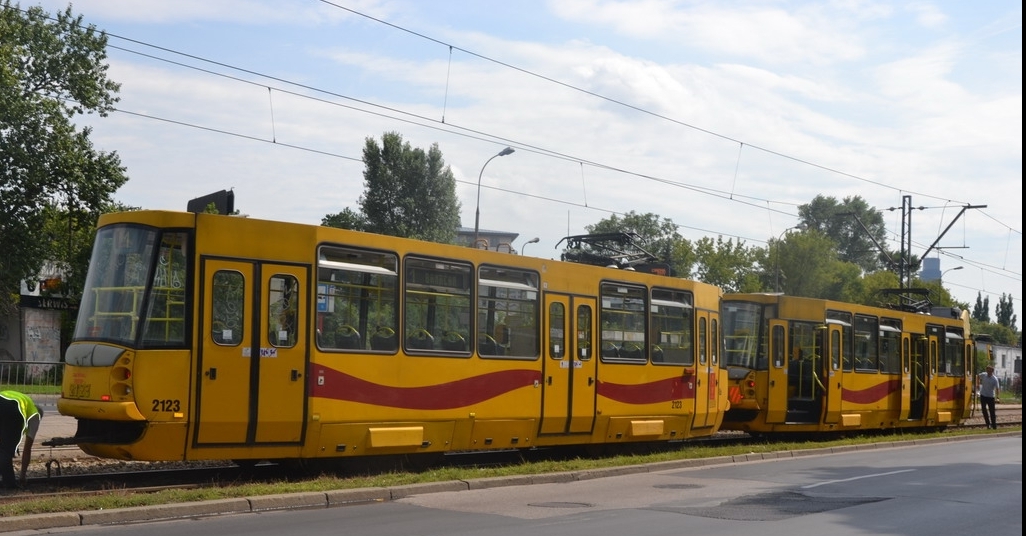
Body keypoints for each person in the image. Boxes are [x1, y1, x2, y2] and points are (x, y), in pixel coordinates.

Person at [0, 391, 43, 489]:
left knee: (4, 447)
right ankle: (10, 485)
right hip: (12, 407)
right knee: (6, 451)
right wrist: (22, 476)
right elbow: (27, 449)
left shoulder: (27, 403)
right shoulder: (35, 416)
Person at [978, 366, 1001, 430]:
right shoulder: (984, 375)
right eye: (987, 370)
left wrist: (998, 397)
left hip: (991, 397)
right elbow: (977, 376)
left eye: (990, 371)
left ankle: (994, 426)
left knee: (992, 412)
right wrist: (977, 384)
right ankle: (988, 424)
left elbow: (997, 388)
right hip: (983, 395)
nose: (988, 372)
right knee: (984, 410)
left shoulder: (994, 379)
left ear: (992, 371)